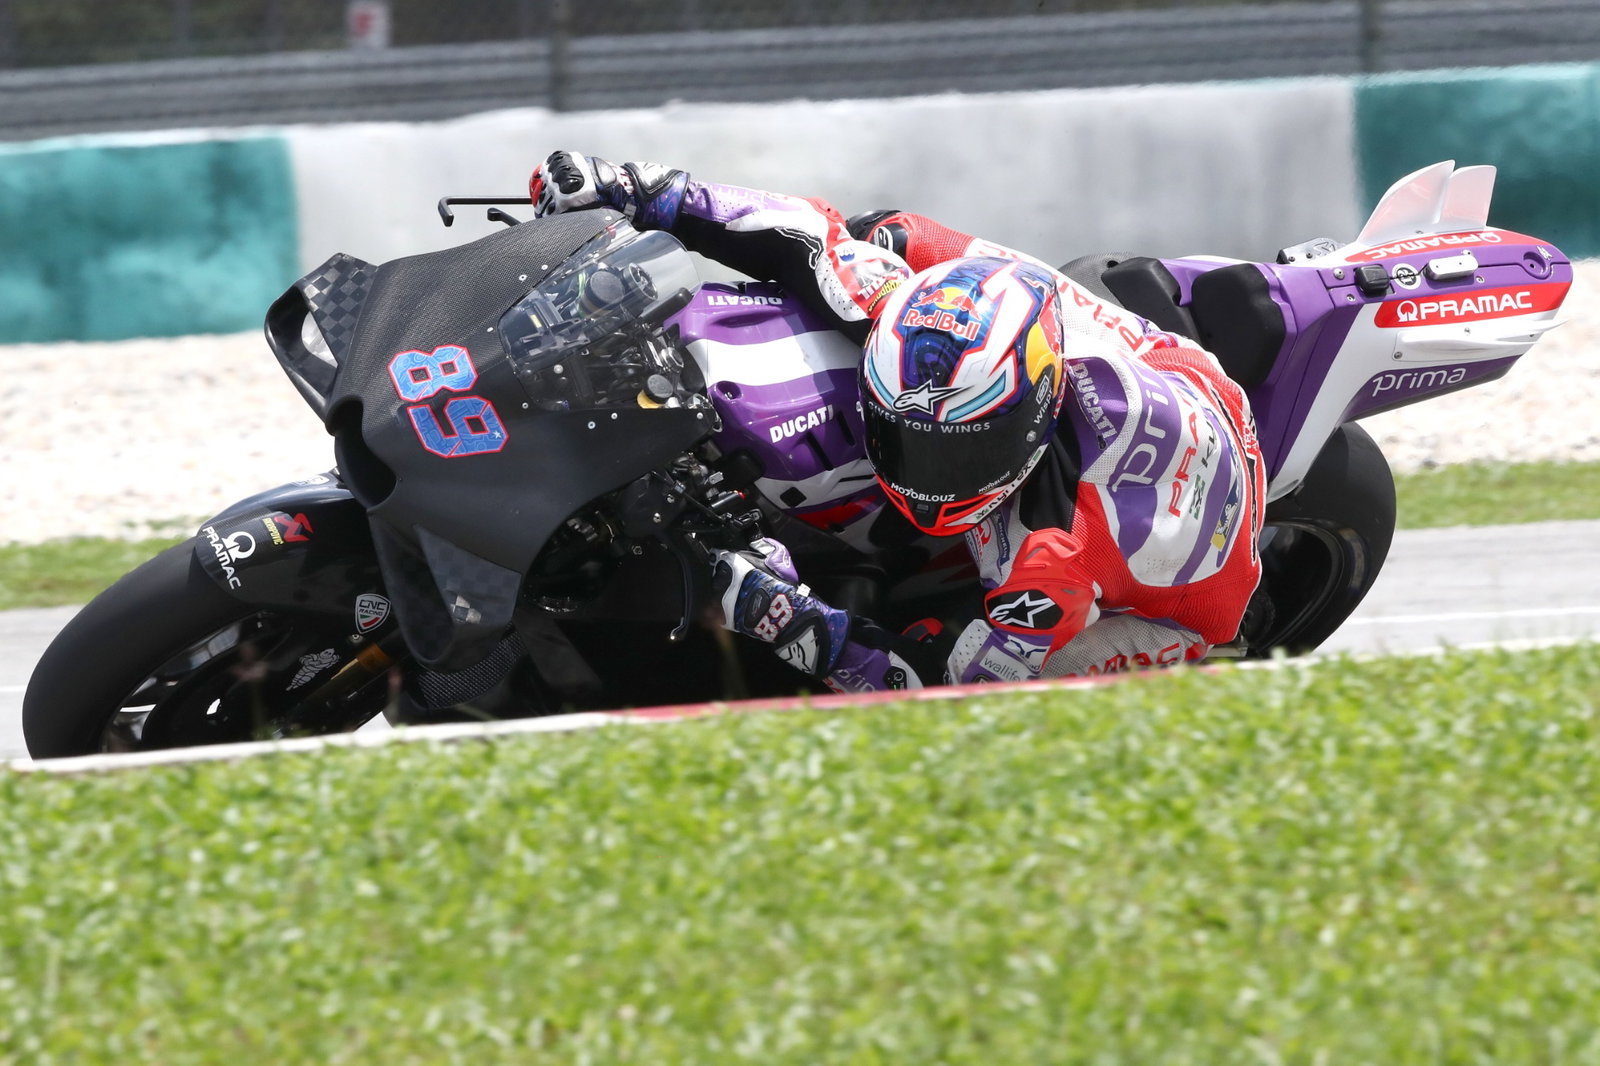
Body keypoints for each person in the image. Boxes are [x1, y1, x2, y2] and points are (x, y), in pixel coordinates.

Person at [528, 150, 1265, 691]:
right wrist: (640, 190)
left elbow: (940, 694)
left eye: (950, 452)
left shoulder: (1050, 559)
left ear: (1028, 422)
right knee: (886, 234)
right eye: (901, 436)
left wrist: (782, 616)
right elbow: (805, 233)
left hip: (1190, 585)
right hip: (1159, 363)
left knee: (1010, 714)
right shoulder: (913, 300)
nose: (920, 475)